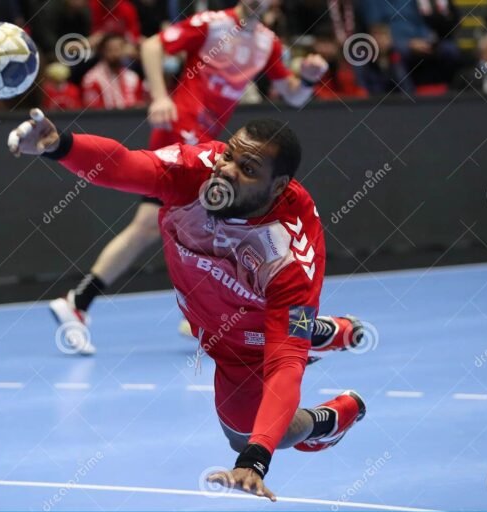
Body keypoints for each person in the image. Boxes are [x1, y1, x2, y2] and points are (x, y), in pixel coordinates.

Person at [9, 107, 367, 498]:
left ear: (278, 186)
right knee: (278, 351)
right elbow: (123, 165)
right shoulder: (196, 169)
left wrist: (254, 460)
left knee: (247, 435)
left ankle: (326, 420)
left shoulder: (288, 260)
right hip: (208, 312)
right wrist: (59, 146)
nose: (227, 170)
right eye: (229, 155)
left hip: (250, 337)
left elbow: (285, 364)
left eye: (247, 169)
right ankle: (320, 331)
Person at [49, 0, 341, 355]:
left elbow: (293, 96)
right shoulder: (213, 24)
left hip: (212, 144)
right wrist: (159, 97)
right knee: (163, 225)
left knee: (170, 226)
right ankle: (79, 302)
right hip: (183, 134)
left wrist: (309, 76)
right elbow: (153, 45)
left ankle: (87, 301)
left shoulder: (268, 43)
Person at [81, 33, 146, 109]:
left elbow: (139, 105)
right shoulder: (91, 79)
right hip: (105, 119)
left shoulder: (132, 77)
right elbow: (94, 112)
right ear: (103, 51)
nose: (115, 53)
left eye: (119, 48)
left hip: (131, 119)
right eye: (111, 49)